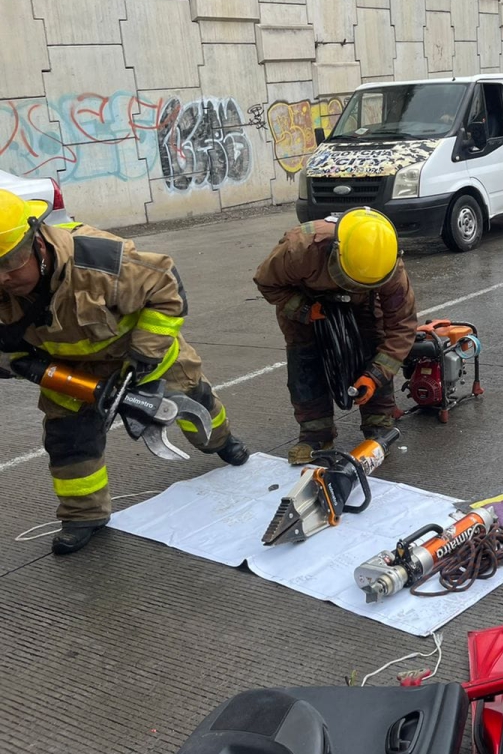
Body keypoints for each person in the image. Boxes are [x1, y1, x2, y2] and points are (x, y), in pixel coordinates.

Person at [0, 189, 249, 555]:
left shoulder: (99, 260)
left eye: (9, 261)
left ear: (35, 241)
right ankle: (83, 515)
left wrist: (145, 355)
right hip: (71, 373)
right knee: (68, 439)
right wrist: (19, 363)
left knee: (195, 401)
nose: (3, 277)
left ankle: (221, 442)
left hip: (142, 356)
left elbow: (167, 288)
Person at [254, 208, 418, 465]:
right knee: (304, 363)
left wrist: (375, 376)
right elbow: (266, 282)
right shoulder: (300, 248)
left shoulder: (388, 266)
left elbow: (402, 326)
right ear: (337, 252)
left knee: (375, 346)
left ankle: (378, 426)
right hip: (306, 300)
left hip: (363, 303)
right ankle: (315, 435)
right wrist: (305, 310)